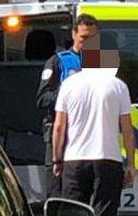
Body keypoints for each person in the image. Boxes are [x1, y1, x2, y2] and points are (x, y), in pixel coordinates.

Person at [52, 41, 136, 216]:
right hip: (107, 159)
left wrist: (57, 158)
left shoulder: (69, 85)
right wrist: (130, 164)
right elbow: (127, 129)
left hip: (74, 159)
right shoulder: (118, 86)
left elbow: (59, 126)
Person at [36, 13, 99, 164]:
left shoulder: (103, 64)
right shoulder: (58, 61)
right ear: (74, 34)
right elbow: (42, 99)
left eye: (92, 38)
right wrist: (69, 94)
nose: (88, 43)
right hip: (62, 136)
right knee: (56, 179)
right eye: (84, 37)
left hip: (92, 138)